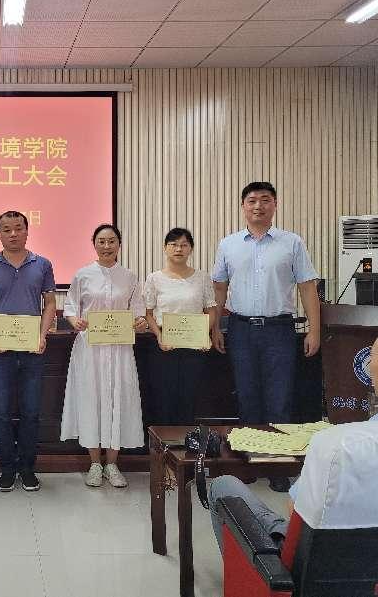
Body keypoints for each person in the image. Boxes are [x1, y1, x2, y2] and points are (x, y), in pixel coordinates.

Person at [209, 319, 378, 552]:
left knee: (223, 486)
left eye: (373, 357)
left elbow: (297, 514)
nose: (370, 367)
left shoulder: (339, 445)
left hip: (331, 565)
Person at [211, 182, 320, 492]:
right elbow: (219, 288)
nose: (258, 206)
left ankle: (277, 465)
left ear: (275, 205)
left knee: (279, 398)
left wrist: (314, 329)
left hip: (279, 330)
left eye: (265, 200)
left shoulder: (292, 243)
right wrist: (216, 327)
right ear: (243, 206)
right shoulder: (228, 245)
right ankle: (249, 461)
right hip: (241, 329)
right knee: (247, 397)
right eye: (251, 201)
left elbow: (307, 287)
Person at [59, 224, 148, 488]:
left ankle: (112, 464)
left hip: (119, 350)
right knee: (91, 400)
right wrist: (75, 321)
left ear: (119, 244)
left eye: (111, 241)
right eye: (101, 241)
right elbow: (70, 307)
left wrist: (140, 322)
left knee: (118, 400)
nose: (106, 246)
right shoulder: (83, 275)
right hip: (90, 349)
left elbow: (138, 312)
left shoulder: (130, 277)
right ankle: (95, 464)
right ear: (94, 244)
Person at [0, 210, 57, 492]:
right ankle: (7, 468)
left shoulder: (42, 264)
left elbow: (50, 303)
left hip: (33, 350)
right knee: (1, 412)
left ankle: (28, 468)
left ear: (27, 230)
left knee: (31, 412)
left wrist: (42, 335)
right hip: (0, 352)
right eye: (7, 229)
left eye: (18, 228)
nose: (13, 234)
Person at [144, 228, 217, 425]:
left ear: (191, 249)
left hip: (194, 345)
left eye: (184, 245)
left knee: (189, 398)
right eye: (173, 245)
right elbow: (148, 314)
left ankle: (185, 442)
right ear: (165, 248)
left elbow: (211, 310)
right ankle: (164, 443)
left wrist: (204, 334)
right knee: (163, 398)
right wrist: (159, 336)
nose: (179, 249)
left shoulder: (202, 277)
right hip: (164, 345)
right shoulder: (154, 278)